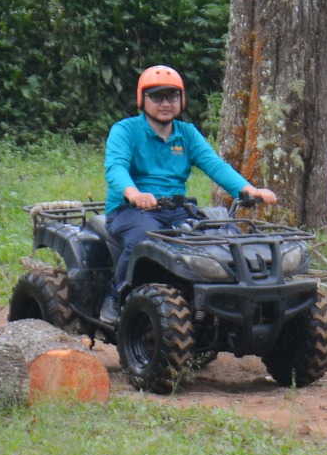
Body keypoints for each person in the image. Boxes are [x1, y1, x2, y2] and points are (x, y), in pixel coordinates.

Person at [101, 66, 276, 321]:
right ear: (142, 99)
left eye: (172, 96)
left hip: (176, 209)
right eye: (157, 96)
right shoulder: (125, 130)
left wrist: (248, 189)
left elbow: (214, 165)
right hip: (130, 211)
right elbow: (115, 167)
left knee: (220, 237)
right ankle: (117, 297)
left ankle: (227, 302)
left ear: (181, 99)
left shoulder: (186, 133)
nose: (165, 103)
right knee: (143, 239)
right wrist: (133, 193)